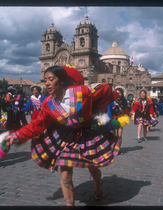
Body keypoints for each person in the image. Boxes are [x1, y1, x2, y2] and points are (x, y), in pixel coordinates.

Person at [3, 65, 127, 206]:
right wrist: (15, 136)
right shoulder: (47, 103)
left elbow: (105, 89)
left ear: (61, 81)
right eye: (45, 80)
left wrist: (101, 103)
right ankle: (70, 205)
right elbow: (37, 124)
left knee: (93, 167)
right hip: (65, 138)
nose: (47, 83)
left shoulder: (82, 92)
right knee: (65, 172)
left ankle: (97, 184)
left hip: (86, 135)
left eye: (51, 79)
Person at [107, 88, 130, 155]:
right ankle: (112, 149)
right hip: (112, 119)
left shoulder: (124, 101)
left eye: (119, 93)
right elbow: (109, 111)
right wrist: (110, 119)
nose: (118, 94)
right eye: (116, 93)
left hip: (120, 119)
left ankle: (118, 149)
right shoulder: (111, 101)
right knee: (112, 135)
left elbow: (126, 109)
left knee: (119, 135)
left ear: (122, 94)